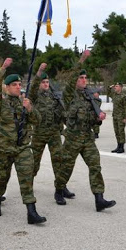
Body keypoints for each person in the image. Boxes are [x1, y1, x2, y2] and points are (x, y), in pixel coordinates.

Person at [54, 50, 116, 212]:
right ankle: (59, 190)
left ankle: (99, 198)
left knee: (95, 165)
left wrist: (98, 118)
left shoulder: (89, 97)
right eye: (80, 77)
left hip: (87, 138)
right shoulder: (69, 94)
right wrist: (82, 59)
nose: (83, 80)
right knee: (66, 167)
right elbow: (71, 76)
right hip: (72, 138)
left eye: (84, 77)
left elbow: (91, 118)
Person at [0, 58, 46, 223]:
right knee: (2, 178)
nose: (18, 87)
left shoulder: (25, 103)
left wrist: (30, 109)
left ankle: (31, 212)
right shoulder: (1, 103)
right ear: (7, 88)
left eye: (19, 84)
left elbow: (37, 121)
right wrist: (2, 69)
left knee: (26, 178)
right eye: (14, 85)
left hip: (22, 148)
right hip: (4, 149)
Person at [28, 62, 75, 205]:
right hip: (39, 133)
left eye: (47, 82)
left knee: (59, 161)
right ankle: (28, 186)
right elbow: (32, 89)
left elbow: (62, 112)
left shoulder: (55, 96)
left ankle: (60, 188)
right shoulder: (34, 96)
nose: (45, 84)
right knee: (34, 162)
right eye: (43, 82)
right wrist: (38, 74)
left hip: (54, 133)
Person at [108, 82, 126, 153]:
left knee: (121, 132)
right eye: (115, 86)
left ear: (120, 87)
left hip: (121, 117)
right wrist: (110, 87)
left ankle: (122, 147)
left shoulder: (123, 96)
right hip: (115, 116)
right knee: (116, 131)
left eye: (116, 86)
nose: (115, 88)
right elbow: (108, 93)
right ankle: (118, 145)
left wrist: (125, 117)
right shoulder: (114, 95)